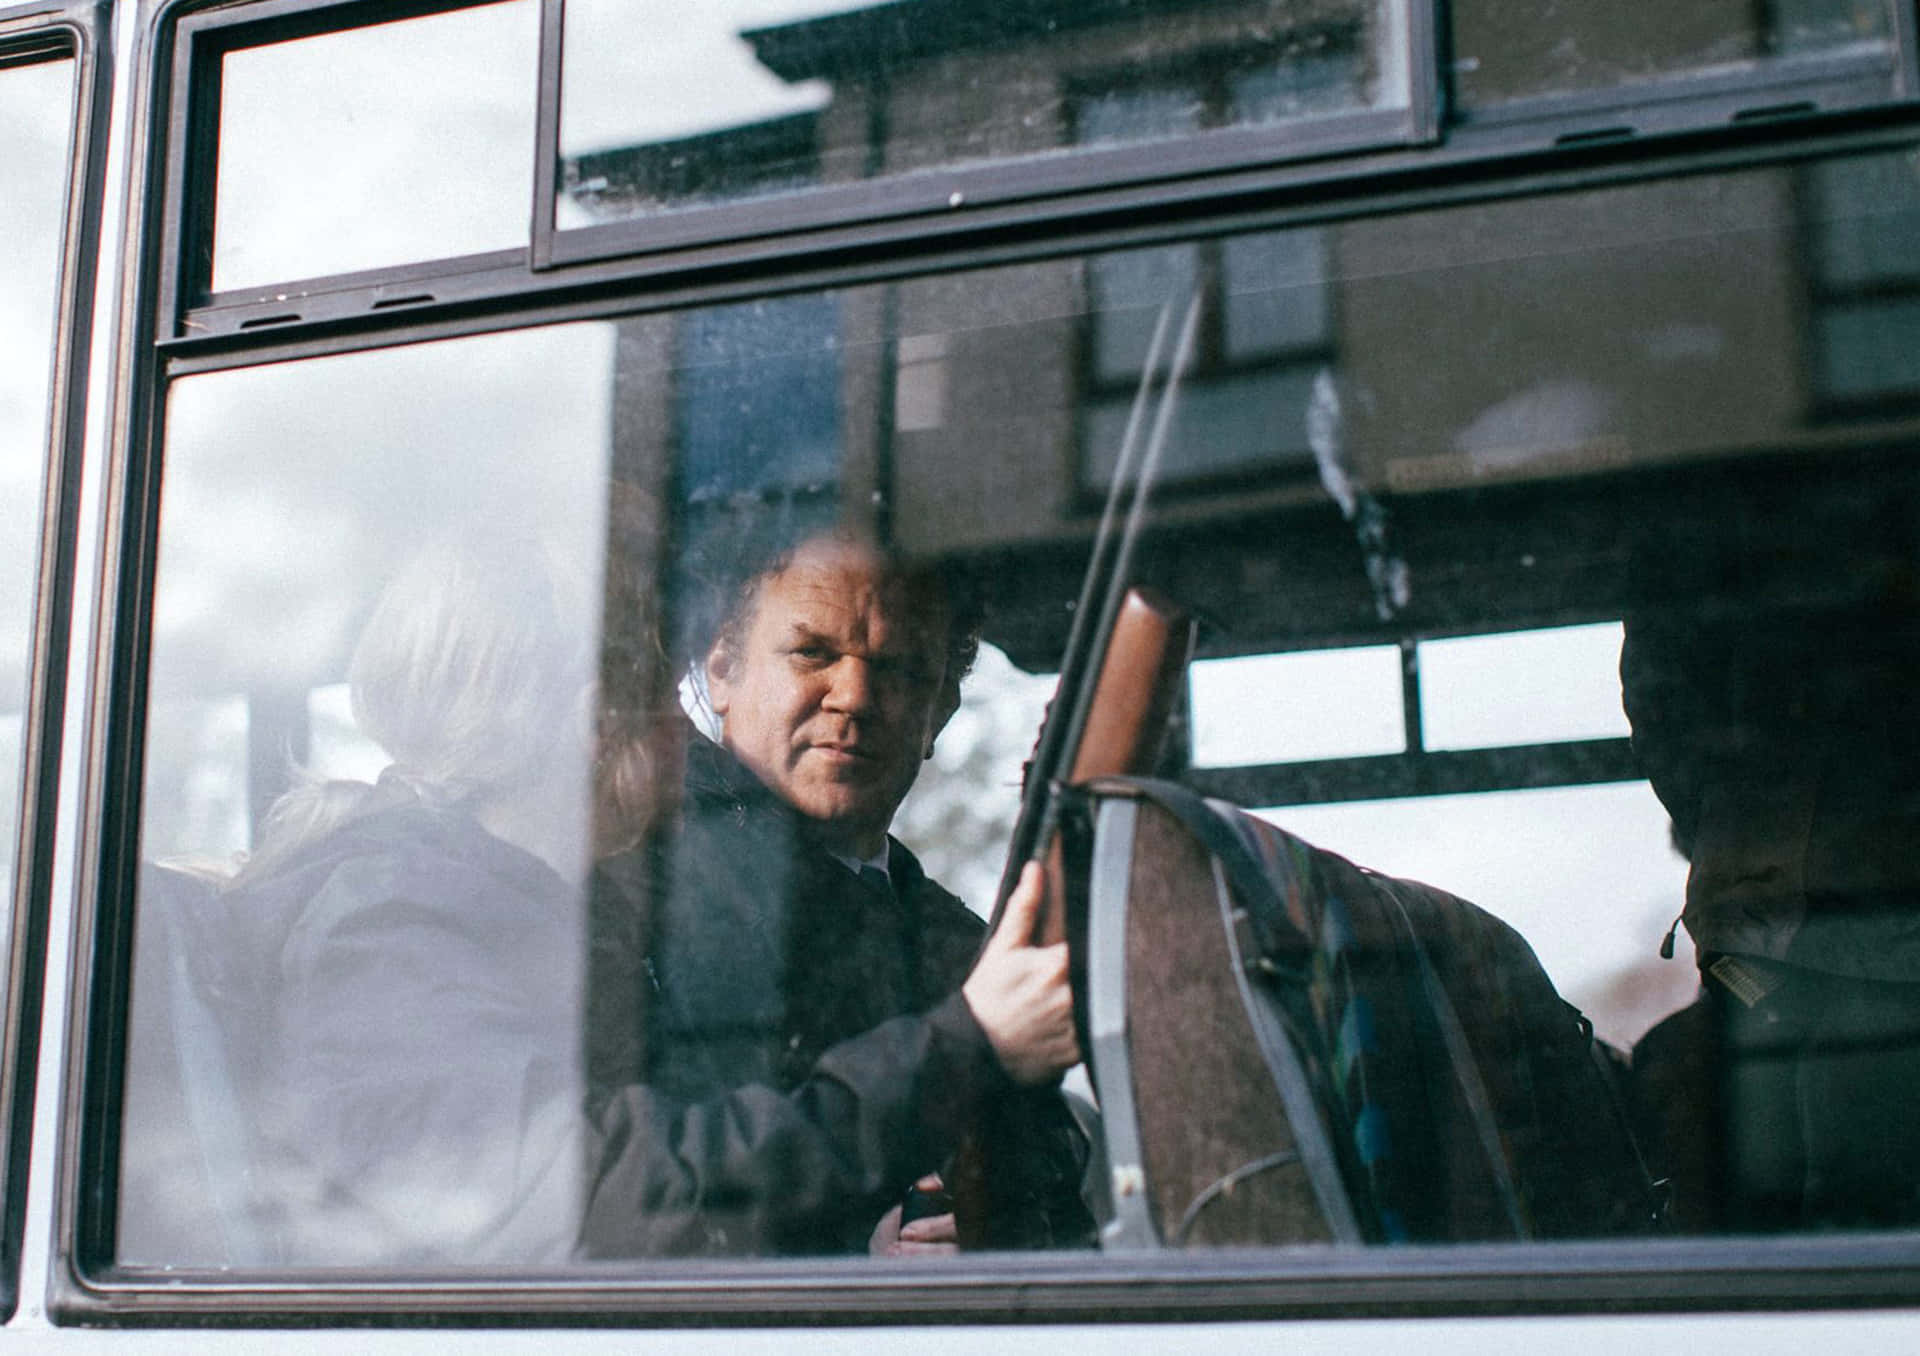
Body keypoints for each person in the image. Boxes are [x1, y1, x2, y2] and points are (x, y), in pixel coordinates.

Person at [583, 524, 1089, 1257]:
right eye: (812, 653)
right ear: (721, 670)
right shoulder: (621, 900)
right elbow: (618, 1204)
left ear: (939, 712)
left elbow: (1054, 1205)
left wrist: (992, 1234)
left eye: (901, 669)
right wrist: (851, 1267)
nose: (854, 695)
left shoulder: (965, 946)